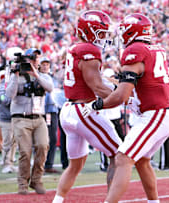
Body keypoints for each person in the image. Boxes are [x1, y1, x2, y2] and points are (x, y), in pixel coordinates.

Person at [82, 13, 169, 203]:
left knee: (123, 158)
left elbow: (121, 96)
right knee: (142, 160)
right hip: (162, 112)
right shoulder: (154, 49)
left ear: (130, 31)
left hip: (157, 113)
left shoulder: (135, 51)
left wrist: (97, 104)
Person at [52, 10, 122, 203]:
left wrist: (114, 86)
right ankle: (111, 201)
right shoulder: (88, 50)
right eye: (101, 32)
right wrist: (126, 99)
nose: (105, 37)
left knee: (75, 165)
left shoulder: (77, 48)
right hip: (84, 110)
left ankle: (57, 201)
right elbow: (97, 87)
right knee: (119, 154)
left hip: (69, 110)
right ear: (90, 31)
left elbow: (95, 81)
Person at [6, 48, 53, 195]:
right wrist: (15, 75)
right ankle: (22, 183)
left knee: (43, 146)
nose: (35, 61)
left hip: (39, 118)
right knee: (25, 152)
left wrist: (36, 74)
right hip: (20, 118)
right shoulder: (15, 75)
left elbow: (50, 88)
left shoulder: (44, 76)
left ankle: (36, 180)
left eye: (36, 58)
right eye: (32, 58)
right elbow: (9, 95)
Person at [39, 56, 61, 174]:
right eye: (43, 64)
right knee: (42, 139)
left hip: (53, 110)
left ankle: (49, 164)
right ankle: (42, 164)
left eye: (47, 64)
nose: (45, 66)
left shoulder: (53, 78)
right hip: (43, 110)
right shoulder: (39, 77)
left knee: (53, 138)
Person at [0, 70, 17, 174]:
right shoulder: (2, 86)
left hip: (15, 117)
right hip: (5, 119)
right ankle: (6, 164)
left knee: (14, 142)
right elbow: (4, 100)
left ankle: (11, 162)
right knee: (7, 142)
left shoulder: (17, 82)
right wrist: (15, 99)